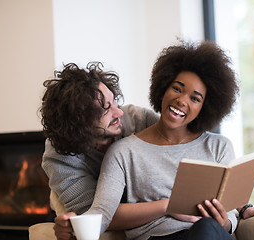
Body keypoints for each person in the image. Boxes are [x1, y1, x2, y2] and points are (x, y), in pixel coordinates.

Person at [73, 41, 254, 240]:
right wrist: (71, 225)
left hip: (210, 234)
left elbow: (229, 213)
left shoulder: (219, 147)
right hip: (158, 237)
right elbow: (104, 213)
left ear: (204, 108)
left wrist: (225, 222)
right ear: (163, 89)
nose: (182, 101)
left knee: (206, 228)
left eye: (195, 99)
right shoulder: (123, 152)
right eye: (177, 89)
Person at [40, 62, 176, 240]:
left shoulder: (138, 121)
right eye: (104, 110)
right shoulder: (59, 157)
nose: (118, 112)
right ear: (78, 123)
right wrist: (168, 206)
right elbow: (96, 219)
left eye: (114, 101)